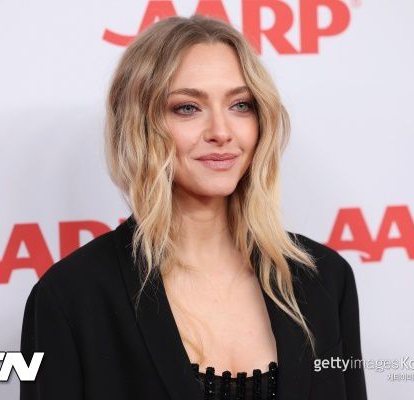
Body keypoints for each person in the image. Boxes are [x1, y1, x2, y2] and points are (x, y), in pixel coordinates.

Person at [20, 15, 367, 400]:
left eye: (241, 105)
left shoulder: (324, 279)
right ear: (138, 125)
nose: (221, 131)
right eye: (187, 108)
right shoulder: (71, 297)